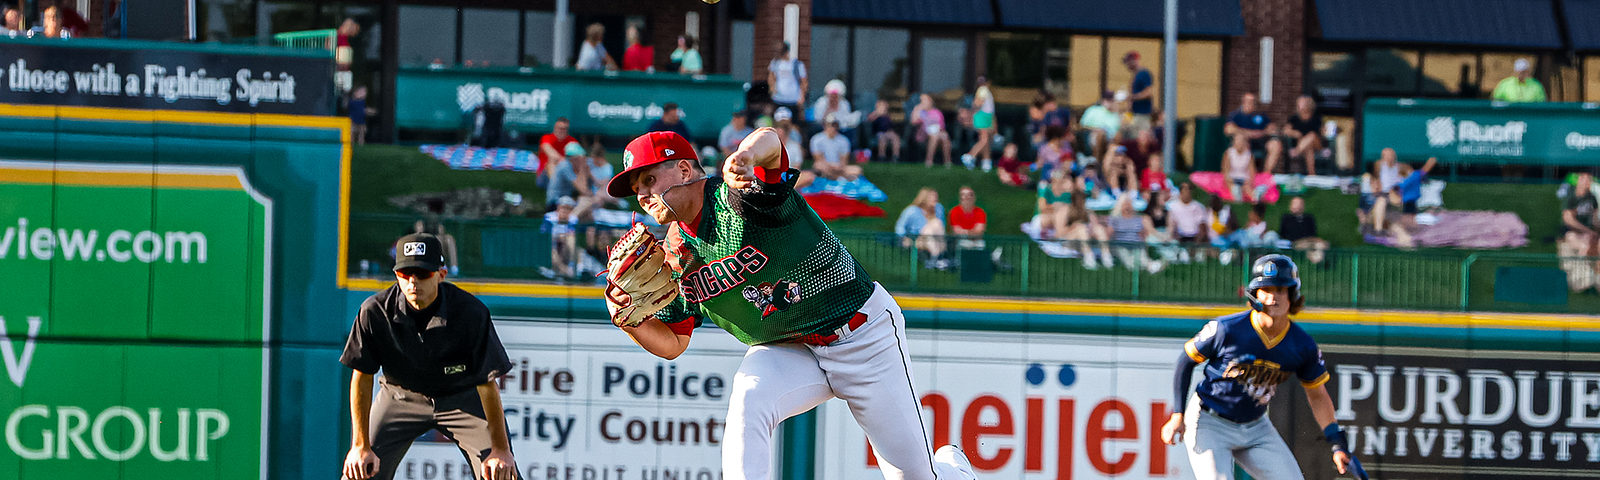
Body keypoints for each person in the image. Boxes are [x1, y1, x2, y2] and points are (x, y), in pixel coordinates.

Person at [604, 129, 980, 480]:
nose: (643, 196)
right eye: (636, 190)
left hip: (860, 335)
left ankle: (953, 470)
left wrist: (747, 154)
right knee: (749, 397)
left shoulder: (740, 198)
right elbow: (672, 343)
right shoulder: (674, 256)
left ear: (684, 168)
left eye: (649, 180)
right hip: (786, 349)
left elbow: (772, 144)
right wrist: (625, 317)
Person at [1161, 255, 1360, 480]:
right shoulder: (1228, 329)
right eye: (1265, 289)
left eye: (1280, 289)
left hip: (1256, 426)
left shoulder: (1301, 344)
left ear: (1292, 296)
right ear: (1254, 294)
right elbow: (1186, 360)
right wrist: (1177, 413)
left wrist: (1337, 443)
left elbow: (1317, 396)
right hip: (1210, 421)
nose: (1272, 296)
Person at [340, 233, 520, 480]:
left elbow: (487, 386)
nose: (413, 281)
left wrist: (501, 449)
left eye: (423, 273)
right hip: (399, 397)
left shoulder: (470, 313)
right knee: (360, 472)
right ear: (396, 276)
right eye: (406, 273)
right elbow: (361, 377)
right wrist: (360, 445)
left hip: (463, 400)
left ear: (441, 275)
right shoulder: (374, 312)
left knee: (500, 473)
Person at [1225, 93, 1283, 173]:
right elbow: (1229, 129)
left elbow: (1272, 128)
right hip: (1244, 140)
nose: (1250, 103)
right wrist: (1249, 133)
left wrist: (1263, 132)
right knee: (1240, 138)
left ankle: (1266, 173)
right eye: (1247, 101)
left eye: (1252, 101)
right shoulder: (1235, 115)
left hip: (1261, 140)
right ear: (1243, 102)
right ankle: (1243, 173)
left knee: (1276, 144)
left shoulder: (1261, 115)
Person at [1107, 194, 1163, 273]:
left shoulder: (1137, 219)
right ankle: (1152, 266)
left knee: (1143, 261)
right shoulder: (1115, 219)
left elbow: (1143, 233)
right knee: (1130, 265)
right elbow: (1110, 233)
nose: (1127, 207)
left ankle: (1152, 265)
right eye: (1125, 204)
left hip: (1136, 245)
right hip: (1121, 246)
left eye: (1129, 204)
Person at [895, 187, 949, 268]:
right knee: (934, 227)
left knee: (937, 224)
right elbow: (899, 227)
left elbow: (942, 226)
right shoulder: (912, 210)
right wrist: (904, 238)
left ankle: (936, 258)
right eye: (932, 197)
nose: (935, 199)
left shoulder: (938, 209)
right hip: (916, 238)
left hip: (934, 237)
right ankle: (937, 259)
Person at [1562, 171, 1600, 282]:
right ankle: (1583, 279)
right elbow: (1568, 219)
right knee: (1583, 246)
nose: (1587, 180)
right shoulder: (1571, 196)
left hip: (1588, 233)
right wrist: (1587, 231)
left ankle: (1597, 277)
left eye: (1589, 179)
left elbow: (1595, 220)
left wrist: (1595, 231)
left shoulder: (1592, 198)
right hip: (1572, 233)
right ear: (1578, 181)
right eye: (1583, 178)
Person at [1281, 95, 1324, 175]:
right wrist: (1295, 133)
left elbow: (1322, 132)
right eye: (1299, 103)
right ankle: (1312, 174)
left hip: (1316, 145)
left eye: (1302, 103)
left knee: (1312, 135)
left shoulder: (1316, 118)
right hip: (1304, 145)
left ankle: (1297, 151)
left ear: (1309, 104)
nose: (1299, 105)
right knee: (1309, 149)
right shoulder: (1294, 118)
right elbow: (1285, 131)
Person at [1279, 197, 1329, 265]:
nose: (1297, 206)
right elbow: (1284, 235)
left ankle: (1317, 264)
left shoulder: (1309, 218)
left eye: (1299, 204)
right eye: (1295, 204)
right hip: (1296, 243)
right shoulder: (1286, 218)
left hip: (1310, 241)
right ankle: (1314, 263)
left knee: (1321, 245)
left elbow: (1313, 233)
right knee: (1308, 245)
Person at [962, 77, 996, 171]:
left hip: (986, 116)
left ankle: (986, 161)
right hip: (983, 116)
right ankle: (970, 155)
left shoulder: (982, 90)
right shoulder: (983, 90)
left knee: (986, 140)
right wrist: (975, 112)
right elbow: (978, 102)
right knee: (984, 139)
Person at [542, 196, 582, 277]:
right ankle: (566, 271)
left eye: (568, 209)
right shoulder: (549, 217)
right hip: (550, 245)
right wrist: (557, 237)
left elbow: (573, 233)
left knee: (571, 239)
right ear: (558, 207)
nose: (564, 211)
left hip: (566, 246)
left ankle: (578, 266)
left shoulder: (573, 219)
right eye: (563, 208)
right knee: (553, 249)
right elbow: (545, 234)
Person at [1170, 183, 1210, 262]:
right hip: (1180, 236)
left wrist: (1198, 240)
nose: (1187, 192)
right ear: (1180, 192)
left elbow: (1202, 225)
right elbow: (1172, 224)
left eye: (1188, 190)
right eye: (1184, 190)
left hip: (1194, 236)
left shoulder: (1198, 206)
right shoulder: (1173, 207)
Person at [912, 93, 953, 167]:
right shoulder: (920, 111)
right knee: (935, 136)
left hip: (937, 135)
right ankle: (929, 161)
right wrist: (918, 109)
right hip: (923, 135)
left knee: (944, 136)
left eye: (925, 100)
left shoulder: (937, 112)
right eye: (922, 101)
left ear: (930, 101)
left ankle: (947, 162)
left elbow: (941, 127)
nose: (923, 102)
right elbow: (913, 122)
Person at [1079, 91, 1123, 157]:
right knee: (1100, 136)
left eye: (1111, 100)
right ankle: (1097, 161)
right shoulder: (1093, 110)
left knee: (1117, 137)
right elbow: (1082, 125)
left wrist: (1117, 111)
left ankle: (1114, 160)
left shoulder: (1115, 115)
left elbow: (1118, 129)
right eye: (1108, 100)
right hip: (1094, 134)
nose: (1110, 102)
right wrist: (1096, 129)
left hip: (1111, 136)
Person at [767, 42, 809, 113]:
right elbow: (771, 78)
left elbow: (803, 81)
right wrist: (773, 90)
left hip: (793, 99)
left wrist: (802, 96)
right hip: (778, 98)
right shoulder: (774, 63)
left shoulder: (796, 64)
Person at [809, 115, 852, 180]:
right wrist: (833, 167)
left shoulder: (844, 140)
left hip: (839, 167)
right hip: (824, 166)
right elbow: (819, 159)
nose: (832, 127)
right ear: (825, 125)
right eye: (830, 125)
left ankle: (835, 176)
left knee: (856, 170)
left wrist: (838, 167)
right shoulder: (816, 139)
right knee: (818, 166)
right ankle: (838, 177)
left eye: (834, 125)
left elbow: (844, 160)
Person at [1124, 51, 1155, 136]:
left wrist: (1132, 97)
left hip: (1143, 115)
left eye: (1128, 62)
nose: (1127, 65)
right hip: (1135, 114)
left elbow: (1149, 93)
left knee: (1141, 138)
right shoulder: (1135, 75)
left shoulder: (1144, 73)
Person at [1223, 134, 1259, 203]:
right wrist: (1227, 178)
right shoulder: (1229, 153)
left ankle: (1255, 197)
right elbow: (1226, 168)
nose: (1239, 143)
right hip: (1232, 177)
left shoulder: (1248, 154)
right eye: (1237, 141)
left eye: (1242, 141)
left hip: (1244, 177)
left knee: (1247, 187)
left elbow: (1252, 169)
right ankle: (1237, 196)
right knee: (1232, 185)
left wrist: (1250, 180)